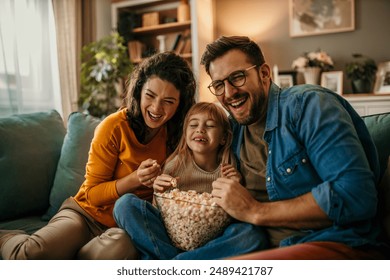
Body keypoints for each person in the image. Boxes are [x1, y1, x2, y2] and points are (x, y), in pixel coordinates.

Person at [200, 35, 387, 259]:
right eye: (219, 85)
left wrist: (255, 211)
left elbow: (356, 195)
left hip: (331, 242)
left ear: (264, 74)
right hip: (252, 242)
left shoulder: (309, 106)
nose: (229, 93)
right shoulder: (232, 130)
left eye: (238, 77)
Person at [0, 51, 196, 259]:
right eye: (150, 95)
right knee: (27, 257)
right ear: (139, 91)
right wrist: (135, 179)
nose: (156, 108)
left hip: (124, 228)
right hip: (85, 215)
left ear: (180, 104)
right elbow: (93, 194)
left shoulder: (177, 136)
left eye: (168, 101)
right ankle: (6, 237)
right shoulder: (114, 127)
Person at [113, 102, 268, 259]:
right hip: (170, 235)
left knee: (252, 234)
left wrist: (236, 186)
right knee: (124, 204)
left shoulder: (229, 166)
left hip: (212, 238)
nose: (200, 129)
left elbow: (233, 214)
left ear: (223, 138)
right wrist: (158, 191)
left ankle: (175, 264)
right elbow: (160, 211)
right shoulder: (175, 164)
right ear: (185, 133)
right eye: (193, 124)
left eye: (210, 126)